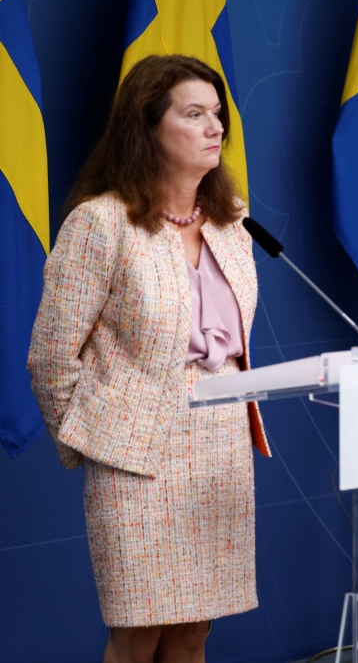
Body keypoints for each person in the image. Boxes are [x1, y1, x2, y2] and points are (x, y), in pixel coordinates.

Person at [28, 55, 269, 663]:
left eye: (217, 114)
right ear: (148, 127)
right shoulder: (100, 223)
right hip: (135, 458)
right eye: (194, 114)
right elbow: (51, 357)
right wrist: (100, 440)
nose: (215, 127)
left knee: (193, 633)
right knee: (138, 635)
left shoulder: (230, 220)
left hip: (220, 447)